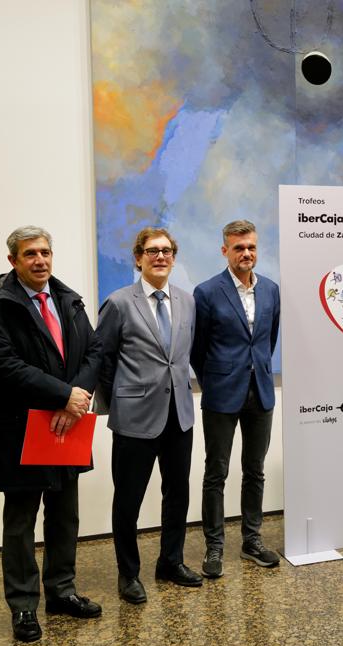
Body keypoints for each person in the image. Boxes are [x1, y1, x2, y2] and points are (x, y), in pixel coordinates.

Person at [0, 226, 103, 643]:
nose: (40, 260)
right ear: (12, 260)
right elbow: (3, 362)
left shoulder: (68, 298)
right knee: (21, 521)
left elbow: (94, 352)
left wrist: (76, 398)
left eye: (45, 252)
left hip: (68, 423)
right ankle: (23, 605)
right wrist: (64, 395)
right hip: (22, 426)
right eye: (30, 253)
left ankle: (62, 591)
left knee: (65, 515)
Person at [94, 227, 201, 604]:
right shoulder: (119, 302)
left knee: (178, 494)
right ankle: (128, 574)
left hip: (179, 415)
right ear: (138, 258)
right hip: (135, 417)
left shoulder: (187, 301)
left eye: (166, 251)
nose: (160, 257)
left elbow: (185, 355)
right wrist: (121, 402)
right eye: (152, 251)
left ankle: (171, 561)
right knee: (128, 499)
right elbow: (102, 358)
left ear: (174, 257)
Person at [192, 220, 281, 577]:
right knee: (216, 472)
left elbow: (268, 341)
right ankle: (214, 546)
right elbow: (197, 348)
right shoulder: (207, 292)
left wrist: (256, 370)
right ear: (225, 250)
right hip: (221, 394)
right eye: (239, 247)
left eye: (251, 247)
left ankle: (252, 541)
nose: (246, 253)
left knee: (254, 470)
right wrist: (215, 380)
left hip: (260, 391)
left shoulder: (271, 290)